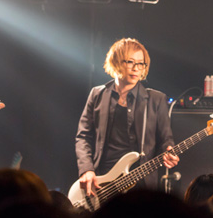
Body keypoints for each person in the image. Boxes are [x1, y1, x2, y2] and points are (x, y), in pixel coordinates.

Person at [75, 38, 179, 198]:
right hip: (102, 182)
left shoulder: (156, 99)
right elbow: (83, 137)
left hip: (141, 184)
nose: (136, 68)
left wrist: (169, 152)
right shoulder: (97, 95)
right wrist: (86, 169)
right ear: (116, 62)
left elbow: (166, 139)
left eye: (141, 63)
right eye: (130, 62)